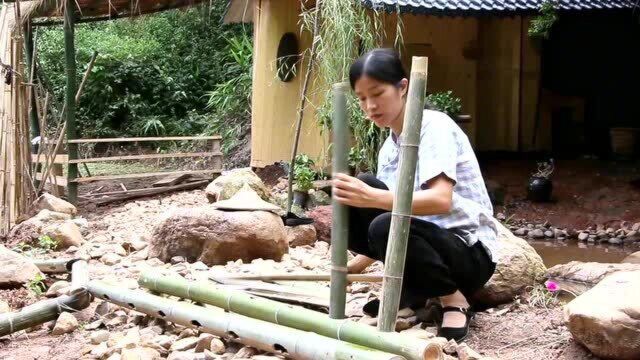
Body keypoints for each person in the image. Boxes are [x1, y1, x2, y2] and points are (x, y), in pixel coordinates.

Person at [332, 48, 499, 342]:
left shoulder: (433, 126)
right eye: (361, 98)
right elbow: (390, 211)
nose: (370, 106)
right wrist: (354, 266)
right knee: (355, 192)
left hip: (466, 253)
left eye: (377, 93)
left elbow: (440, 200)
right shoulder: (389, 147)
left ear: (403, 87)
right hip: (424, 245)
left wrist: (372, 197)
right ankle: (418, 290)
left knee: (379, 215)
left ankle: (453, 299)